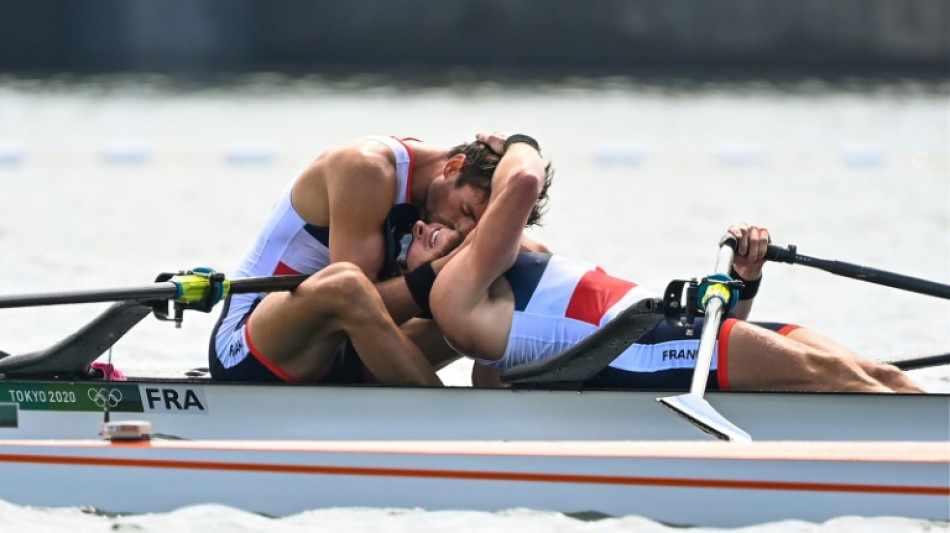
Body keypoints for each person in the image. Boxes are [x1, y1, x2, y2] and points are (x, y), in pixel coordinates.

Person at [423, 133, 923, 393]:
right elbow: (524, 183)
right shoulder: (452, 298)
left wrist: (743, 281)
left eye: (470, 220)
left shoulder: (509, 276)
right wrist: (516, 143)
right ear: (411, 271)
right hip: (642, 350)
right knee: (838, 376)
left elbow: (704, 346)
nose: (468, 232)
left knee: (882, 377)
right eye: (423, 238)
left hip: (668, 335)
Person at [209, 136, 551, 386]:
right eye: (465, 211)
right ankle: (449, 426)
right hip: (251, 347)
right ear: (453, 167)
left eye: (474, 224)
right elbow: (358, 305)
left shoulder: (445, 204)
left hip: (348, 355)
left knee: (521, 262)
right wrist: (442, 270)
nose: (462, 229)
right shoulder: (367, 169)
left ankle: (503, 410)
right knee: (346, 284)